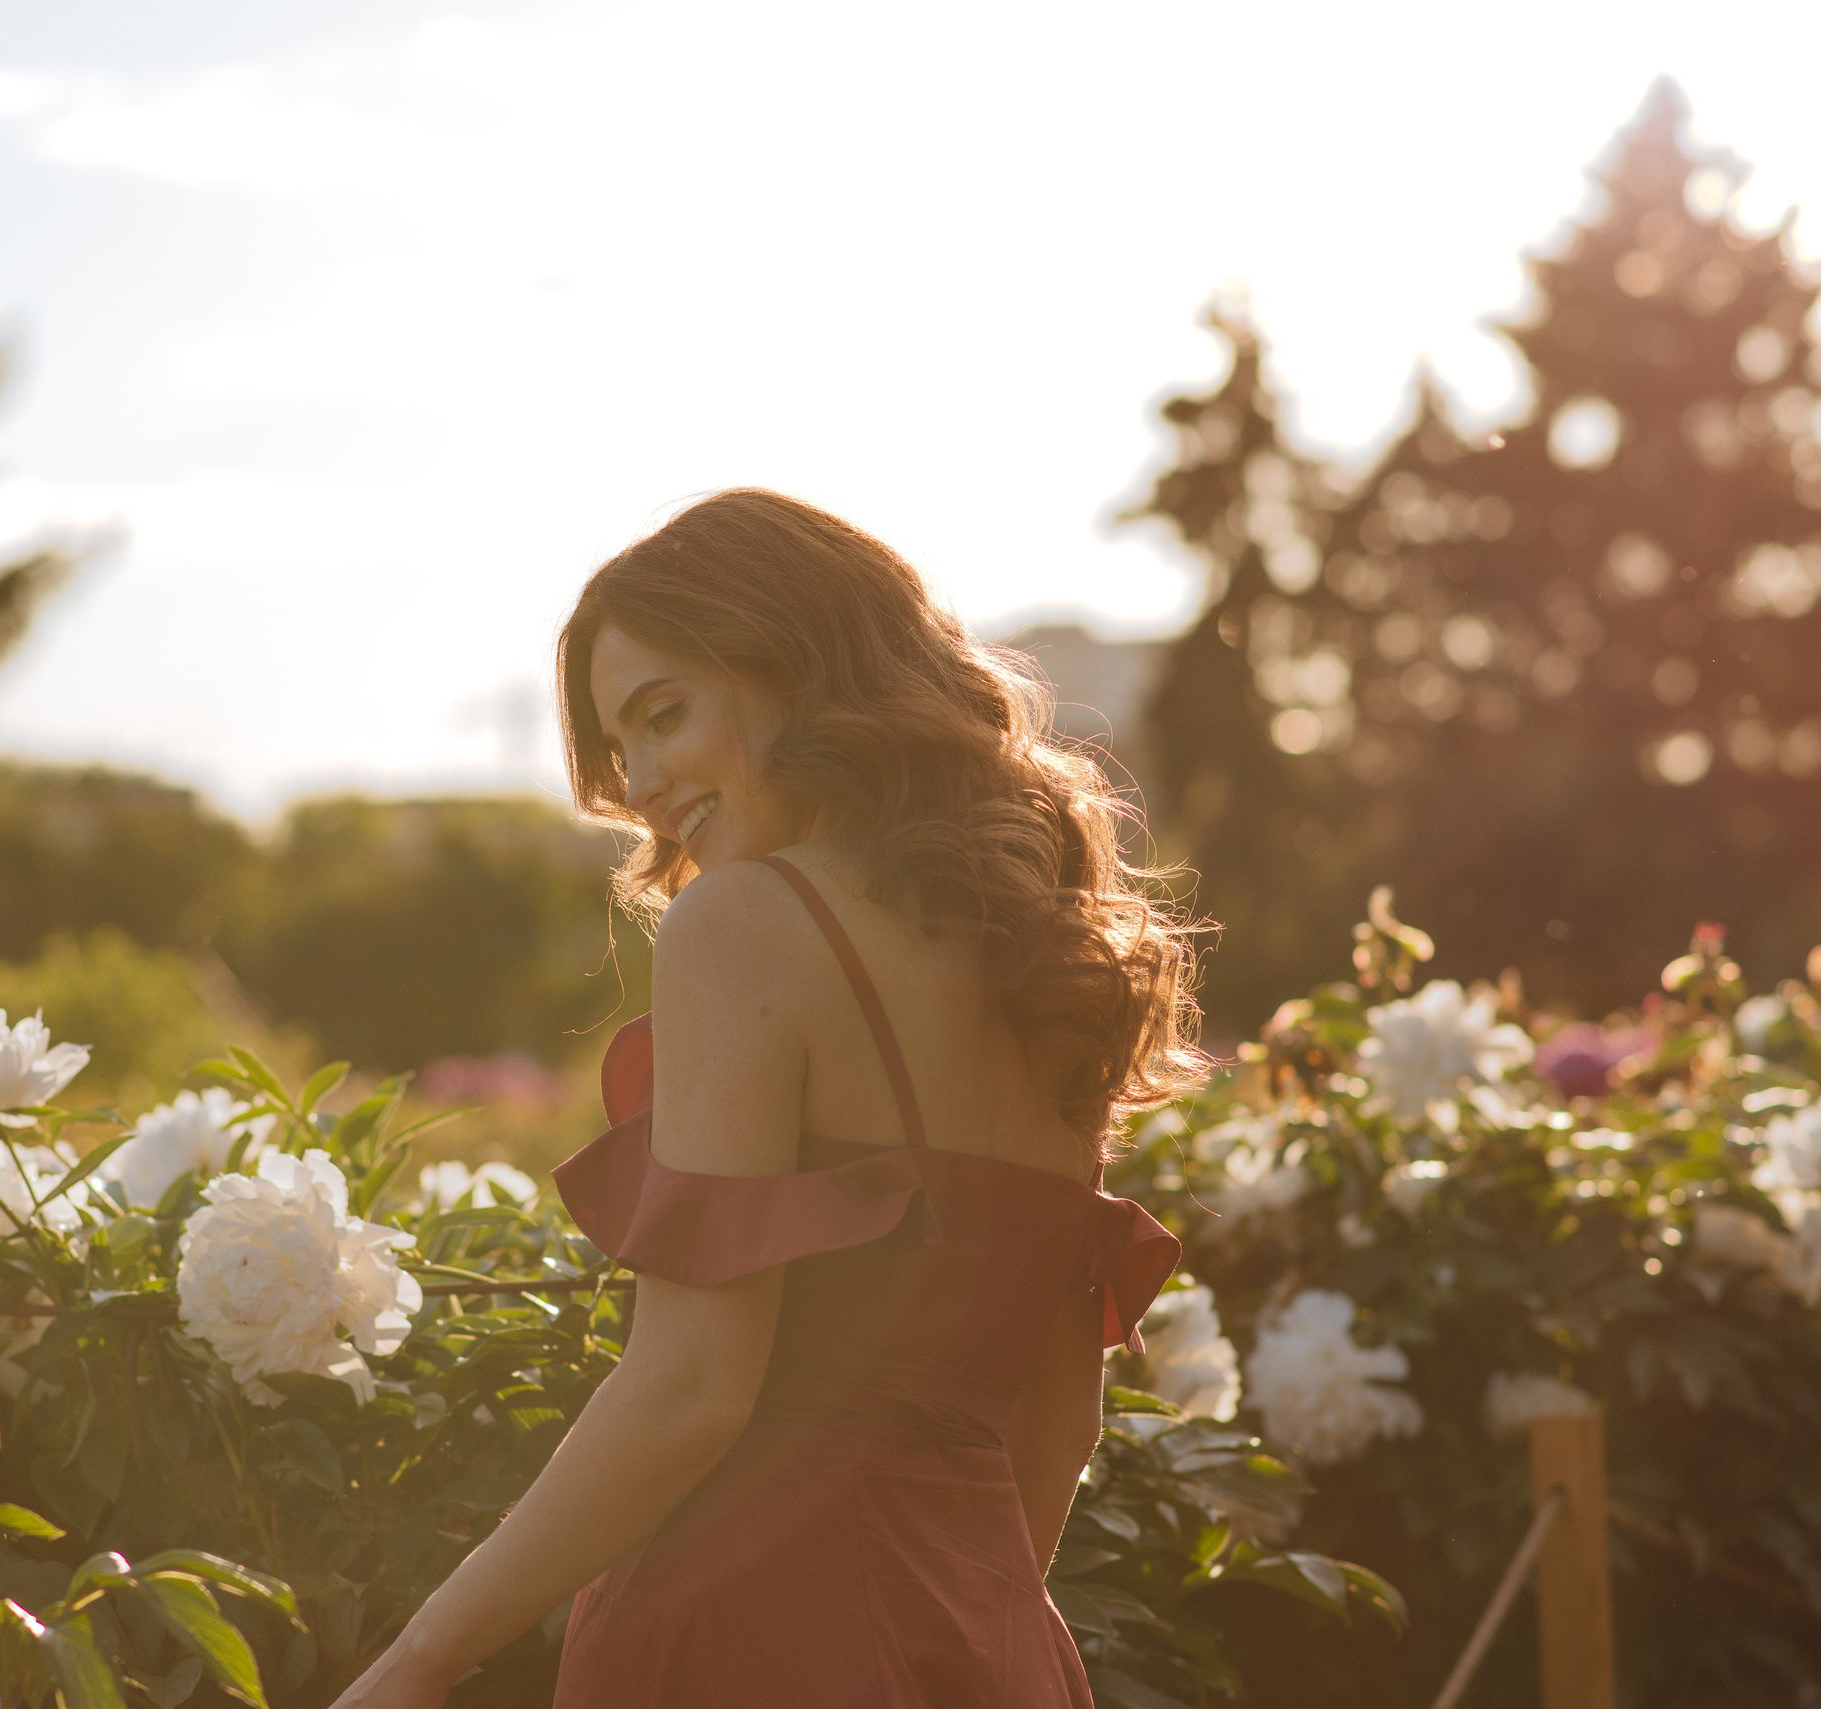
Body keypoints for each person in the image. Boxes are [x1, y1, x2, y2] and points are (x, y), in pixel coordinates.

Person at [332, 490, 1206, 1709]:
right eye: (618, 749)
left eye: (663, 713)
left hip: (748, 1630)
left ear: (796, 663)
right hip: (993, 1636)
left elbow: (693, 1385)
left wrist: (416, 1662)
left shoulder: (744, 924)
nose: (640, 782)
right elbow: (1058, 1410)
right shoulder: (1048, 962)